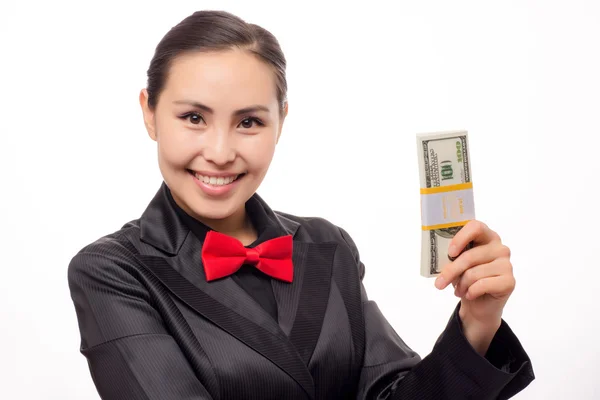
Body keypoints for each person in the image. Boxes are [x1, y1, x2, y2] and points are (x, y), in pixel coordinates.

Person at [67, 10, 534, 400]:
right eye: (193, 117)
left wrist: (478, 320)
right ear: (149, 112)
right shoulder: (112, 271)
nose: (220, 151)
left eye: (249, 122)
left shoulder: (327, 245)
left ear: (281, 121)